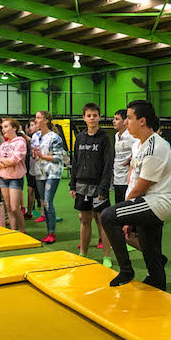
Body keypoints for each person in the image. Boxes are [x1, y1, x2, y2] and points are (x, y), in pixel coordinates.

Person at [101, 100, 171, 289]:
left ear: (142, 121)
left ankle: (126, 270)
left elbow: (141, 187)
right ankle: (157, 282)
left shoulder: (155, 147)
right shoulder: (138, 145)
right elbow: (133, 178)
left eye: (129, 117)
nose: (126, 122)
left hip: (156, 202)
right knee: (151, 250)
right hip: (145, 201)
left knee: (108, 216)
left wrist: (126, 215)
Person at [70, 103, 113, 267]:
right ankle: (83, 253)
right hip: (82, 185)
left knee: (103, 221)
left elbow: (108, 164)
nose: (92, 118)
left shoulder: (104, 138)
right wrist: (73, 185)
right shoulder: (80, 137)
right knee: (84, 219)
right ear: (84, 118)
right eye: (89, 116)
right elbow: (75, 162)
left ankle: (107, 256)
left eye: (95, 115)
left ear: (99, 117)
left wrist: (103, 187)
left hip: (98, 186)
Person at [31, 111, 64, 243]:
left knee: (47, 202)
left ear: (45, 120)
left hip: (52, 173)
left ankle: (52, 232)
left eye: (39, 118)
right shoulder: (35, 136)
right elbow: (34, 155)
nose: (36, 120)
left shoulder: (55, 137)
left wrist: (42, 156)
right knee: (44, 203)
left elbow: (58, 157)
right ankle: (48, 231)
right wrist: (35, 154)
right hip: (40, 172)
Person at [0, 118, 27, 232]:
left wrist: (2, 161)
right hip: (3, 177)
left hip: (15, 178)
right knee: (8, 206)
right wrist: (4, 163)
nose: (3, 129)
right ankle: (13, 230)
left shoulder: (20, 142)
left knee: (14, 207)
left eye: (6, 127)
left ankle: (22, 230)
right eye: (2, 127)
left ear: (14, 128)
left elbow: (15, 160)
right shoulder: (3, 144)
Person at [112, 109, 138, 204]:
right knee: (118, 205)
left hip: (127, 179)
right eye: (114, 119)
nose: (113, 121)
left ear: (124, 121)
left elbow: (141, 149)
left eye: (117, 119)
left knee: (126, 206)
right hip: (117, 178)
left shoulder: (132, 136)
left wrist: (132, 158)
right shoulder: (116, 135)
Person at [24, 118, 41, 220]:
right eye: (30, 125)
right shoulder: (28, 138)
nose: (31, 127)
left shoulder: (43, 137)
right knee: (30, 189)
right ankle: (29, 211)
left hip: (40, 167)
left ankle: (44, 213)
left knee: (41, 191)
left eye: (33, 125)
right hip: (31, 166)